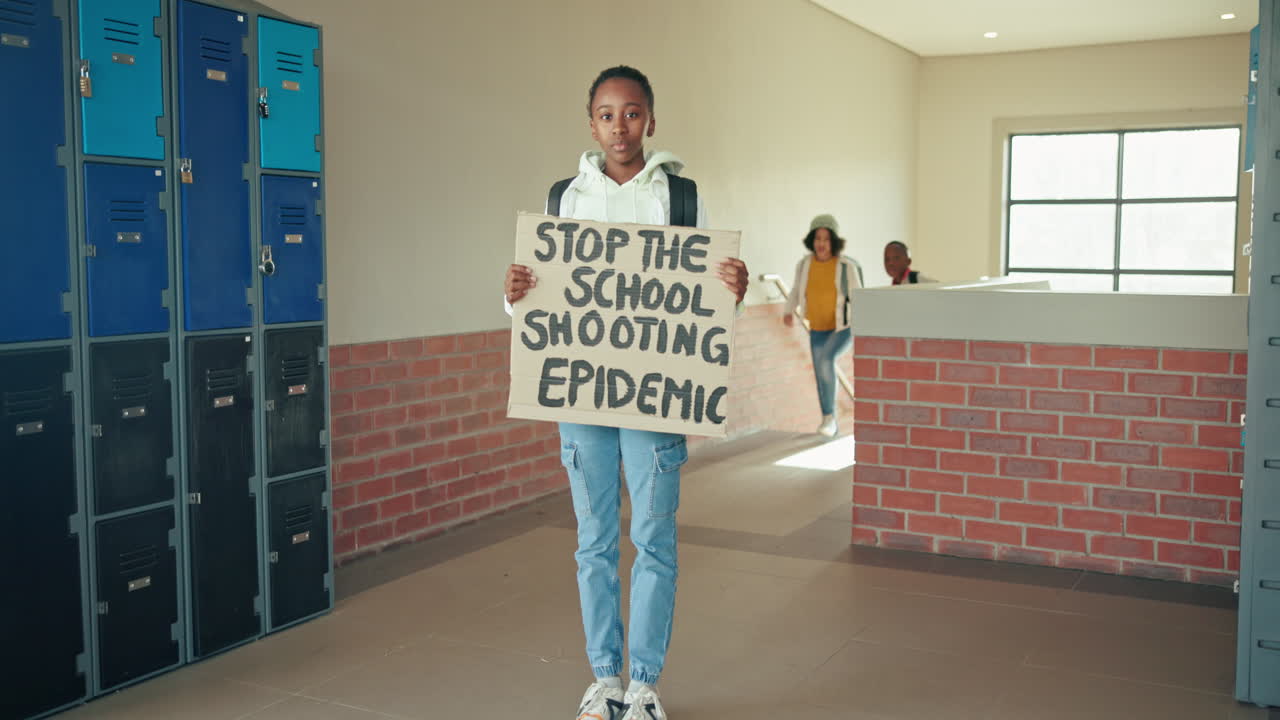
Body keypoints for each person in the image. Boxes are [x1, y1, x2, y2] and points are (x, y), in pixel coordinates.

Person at [504, 65, 749, 720]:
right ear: (591, 123)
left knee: (654, 539)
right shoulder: (565, 199)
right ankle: (603, 679)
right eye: (607, 114)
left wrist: (731, 290)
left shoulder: (680, 199)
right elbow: (542, 301)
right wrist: (515, 297)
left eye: (632, 112)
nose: (620, 126)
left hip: (655, 395)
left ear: (651, 120)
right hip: (581, 394)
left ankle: (643, 686)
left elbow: (697, 309)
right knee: (593, 542)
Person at [783, 214, 861, 437]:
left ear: (834, 241)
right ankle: (828, 418)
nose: (821, 244)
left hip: (842, 327)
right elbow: (797, 289)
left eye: (826, 239)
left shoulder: (846, 266)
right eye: (818, 238)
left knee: (826, 360)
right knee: (821, 372)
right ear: (812, 240)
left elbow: (858, 295)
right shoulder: (805, 264)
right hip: (817, 327)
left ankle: (830, 418)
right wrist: (788, 311)